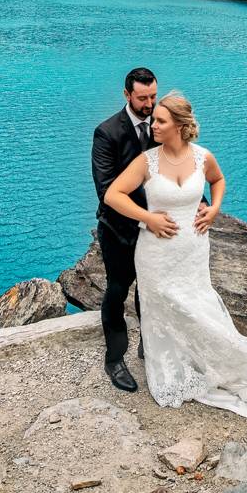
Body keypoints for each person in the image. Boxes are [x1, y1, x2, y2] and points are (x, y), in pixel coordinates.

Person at [103, 92, 247, 458]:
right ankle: (170, 366)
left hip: (193, 250)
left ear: (179, 126)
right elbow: (114, 195)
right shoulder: (146, 161)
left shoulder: (202, 157)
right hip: (156, 252)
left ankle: (211, 359)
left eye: (161, 121)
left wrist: (214, 211)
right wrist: (147, 217)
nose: (154, 125)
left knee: (198, 305)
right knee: (164, 308)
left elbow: (219, 180)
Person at [90, 67, 160, 392]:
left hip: (155, 231)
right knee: (118, 291)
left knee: (150, 291)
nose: (149, 104)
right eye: (143, 98)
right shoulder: (107, 133)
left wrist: (196, 203)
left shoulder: (163, 124)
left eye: (153, 96)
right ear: (127, 95)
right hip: (118, 231)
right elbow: (106, 190)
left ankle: (150, 346)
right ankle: (115, 359)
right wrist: (145, 218)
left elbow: (180, 165)